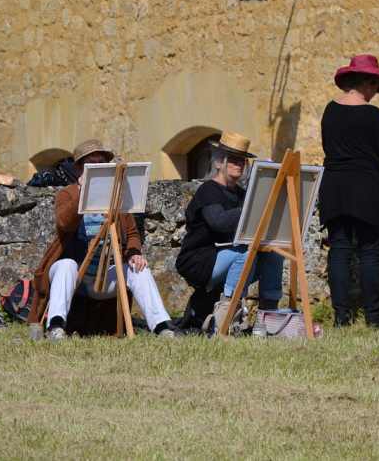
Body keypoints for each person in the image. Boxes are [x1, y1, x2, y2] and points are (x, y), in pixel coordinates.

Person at [26, 139, 178, 340]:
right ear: (80, 169)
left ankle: (162, 328)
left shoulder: (117, 196)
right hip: (77, 275)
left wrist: (134, 254)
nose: (99, 168)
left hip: (107, 275)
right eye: (92, 164)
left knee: (139, 269)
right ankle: (56, 327)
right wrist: (82, 195)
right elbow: (64, 223)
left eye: (102, 164)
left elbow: (132, 234)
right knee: (66, 265)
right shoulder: (67, 193)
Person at [319, 54, 379, 329]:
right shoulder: (373, 115)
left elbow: (329, 148)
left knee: (339, 250)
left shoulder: (330, 110)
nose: (376, 92)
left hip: (334, 186)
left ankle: (341, 317)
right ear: (368, 82)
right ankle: (374, 318)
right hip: (366, 187)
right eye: (375, 86)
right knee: (369, 252)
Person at [175, 131, 284, 335]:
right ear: (218, 162)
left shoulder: (241, 194)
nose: (239, 164)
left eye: (242, 160)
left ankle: (269, 319)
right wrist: (251, 207)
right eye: (233, 159)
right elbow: (219, 222)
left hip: (230, 257)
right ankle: (228, 319)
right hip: (199, 260)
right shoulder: (209, 190)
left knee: (273, 254)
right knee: (244, 253)